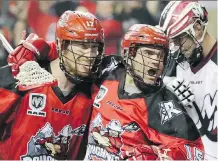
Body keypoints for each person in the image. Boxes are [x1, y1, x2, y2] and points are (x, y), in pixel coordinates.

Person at [83, 24, 204, 160]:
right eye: (148, 53)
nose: (155, 62)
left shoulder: (162, 104)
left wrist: (159, 155)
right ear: (128, 54)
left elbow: (195, 152)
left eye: (160, 56)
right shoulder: (108, 69)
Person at [0, 10, 104, 160]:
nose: (90, 55)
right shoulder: (21, 78)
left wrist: (43, 47)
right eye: (82, 46)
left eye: (95, 47)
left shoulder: (96, 91)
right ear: (62, 45)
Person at [159, 1, 217, 159]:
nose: (176, 47)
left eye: (179, 39)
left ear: (197, 28)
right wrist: (163, 90)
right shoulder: (174, 64)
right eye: (172, 41)